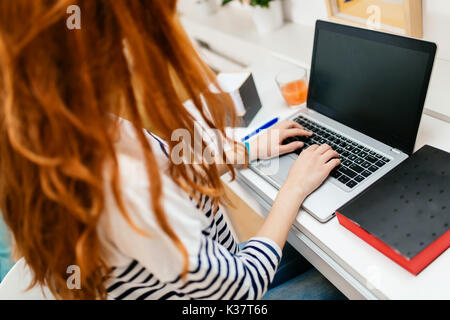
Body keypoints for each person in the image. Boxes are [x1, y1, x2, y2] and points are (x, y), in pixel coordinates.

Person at [0, 0, 343, 300]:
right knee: (348, 282)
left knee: (318, 255)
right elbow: (244, 285)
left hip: (214, 270)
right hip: (229, 285)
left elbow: (171, 168)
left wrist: (248, 149)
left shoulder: (64, 132)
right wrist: (294, 187)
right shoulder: (123, 188)